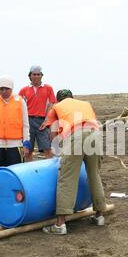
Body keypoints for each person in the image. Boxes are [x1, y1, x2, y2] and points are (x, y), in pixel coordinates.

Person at [42, 89, 106, 235]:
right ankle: (99, 216)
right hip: (95, 135)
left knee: (66, 178)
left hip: (76, 136)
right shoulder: (85, 104)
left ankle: (60, 224)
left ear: (59, 100)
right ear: (72, 98)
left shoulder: (56, 108)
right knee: (94, 175)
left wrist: (58, 152)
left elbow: (53, 134)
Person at [0, 75, 32, 170]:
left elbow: (25, 125)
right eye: (1, 89)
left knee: (16, 174)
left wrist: (26, 144)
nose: (4, 91)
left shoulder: (20, 102)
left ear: (11, 88)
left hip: (15, 146)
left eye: (6, 89)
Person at [19, 65, 56, 161]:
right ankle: (29, 171)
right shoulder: (24, 90)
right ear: (30, 75)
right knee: (28, 150)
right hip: (28, 121)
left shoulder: (48, 88)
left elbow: (51, 104)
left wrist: (47, 120)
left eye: (38, 74)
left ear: (41, 75)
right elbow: (19, 107)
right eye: (34, 74)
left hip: (42, 121)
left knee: (47, 148)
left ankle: (50, 170)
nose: (36, 76)